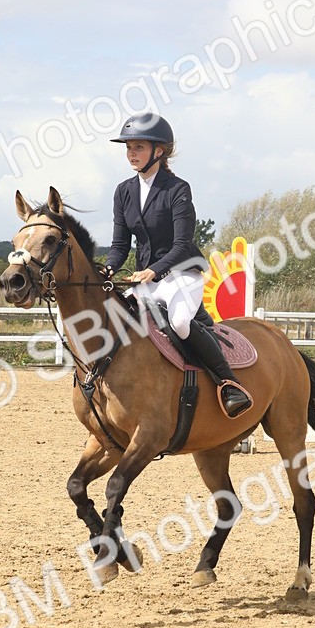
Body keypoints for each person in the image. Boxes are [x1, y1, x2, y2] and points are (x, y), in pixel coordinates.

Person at [104, 112, 253, 418]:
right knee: (118, 320)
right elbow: (120, 245)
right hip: (146, 279)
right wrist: (107, 268)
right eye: (128, 147)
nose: (131, 153)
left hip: (182, 273)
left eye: (138, 147)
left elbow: (182, 244)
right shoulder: (123, 191)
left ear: (159, 151)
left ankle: (229, 383)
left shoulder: (177, 189)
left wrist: (154, 270)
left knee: (181, 323)